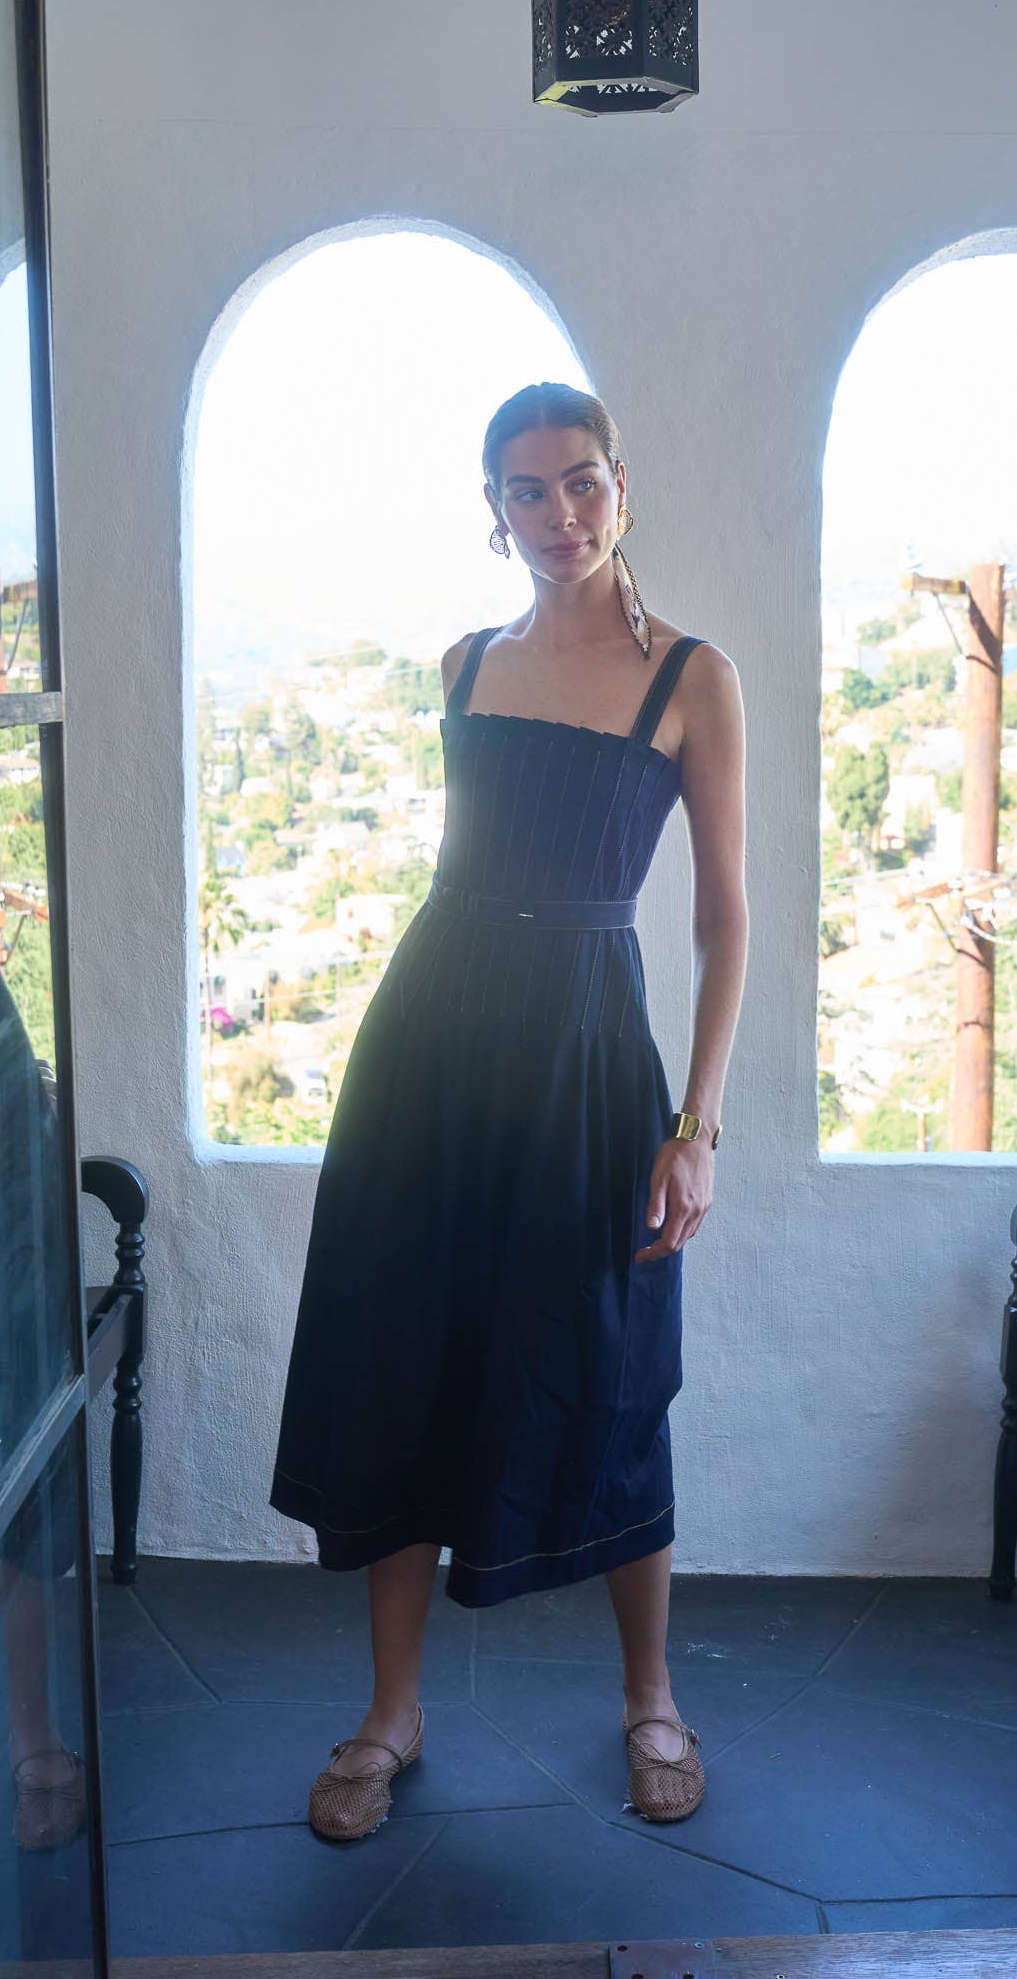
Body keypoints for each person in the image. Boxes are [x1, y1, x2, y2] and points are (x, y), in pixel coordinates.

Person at [268, 381, 748, 1842]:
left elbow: (725, 920)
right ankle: (390, 1715)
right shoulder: (465, 663)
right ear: (494, 511)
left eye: (581, 480)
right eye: (527, 490)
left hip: (588, 1058)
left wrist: (696, 1127)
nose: (559, 513)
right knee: (404, 1361)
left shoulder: (692, 676)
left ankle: (650, 1697)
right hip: (429, 1049)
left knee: (614, 1362)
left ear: (622, 487)